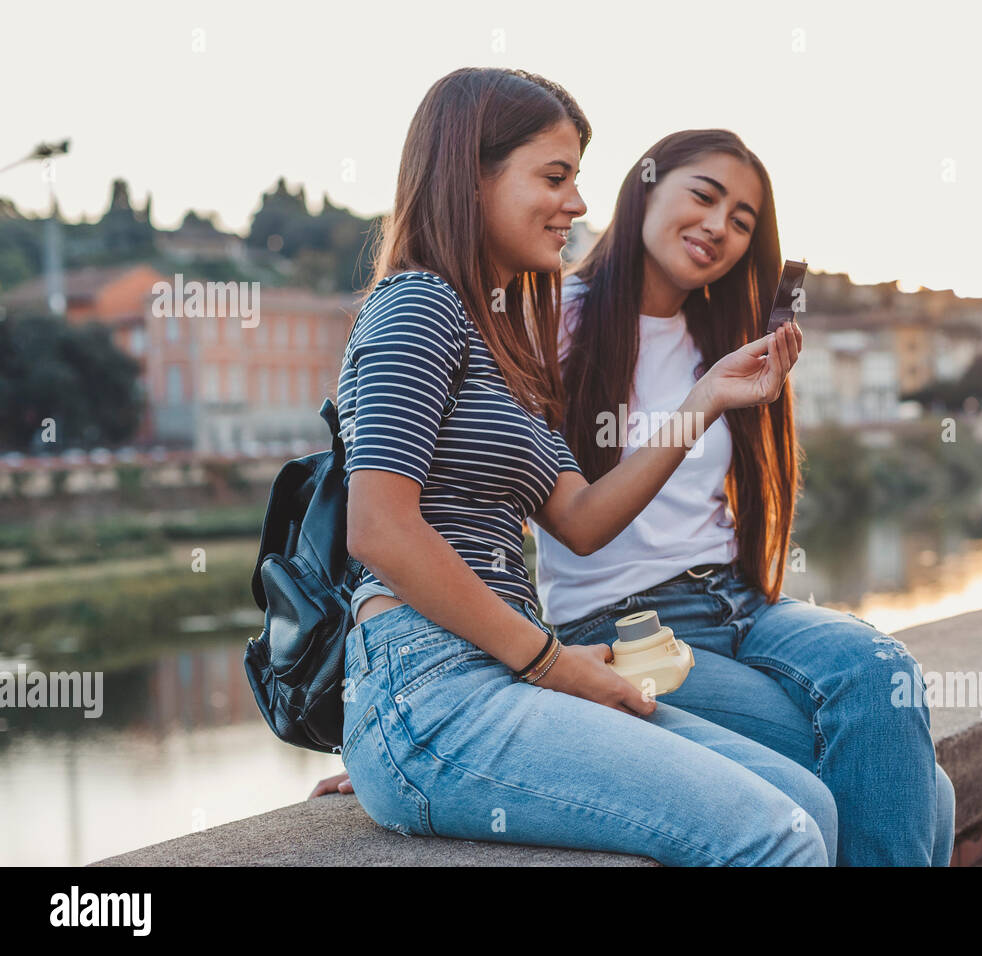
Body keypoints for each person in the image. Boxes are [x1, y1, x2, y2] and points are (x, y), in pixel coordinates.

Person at [325, 68, 831, 866]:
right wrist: (549, 662)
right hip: (433, 682)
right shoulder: (417, 304)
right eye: (554, 177)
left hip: (495, 673)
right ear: (471, 172)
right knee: (778, 836)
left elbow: (582, 520)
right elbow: (379, 528)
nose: (578, 205)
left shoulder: (501, 345)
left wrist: (707, 396)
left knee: (808, 805)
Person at [533, 129, 956, 866]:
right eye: (703, 196)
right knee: (925, 790)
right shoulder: (553, 318)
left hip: (740, 604)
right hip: (623, 625)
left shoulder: (722, 333)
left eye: (742, 221)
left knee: (883, 672)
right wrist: (447, 709)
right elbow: (492, 510)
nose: (718, 228)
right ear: (645, 188)